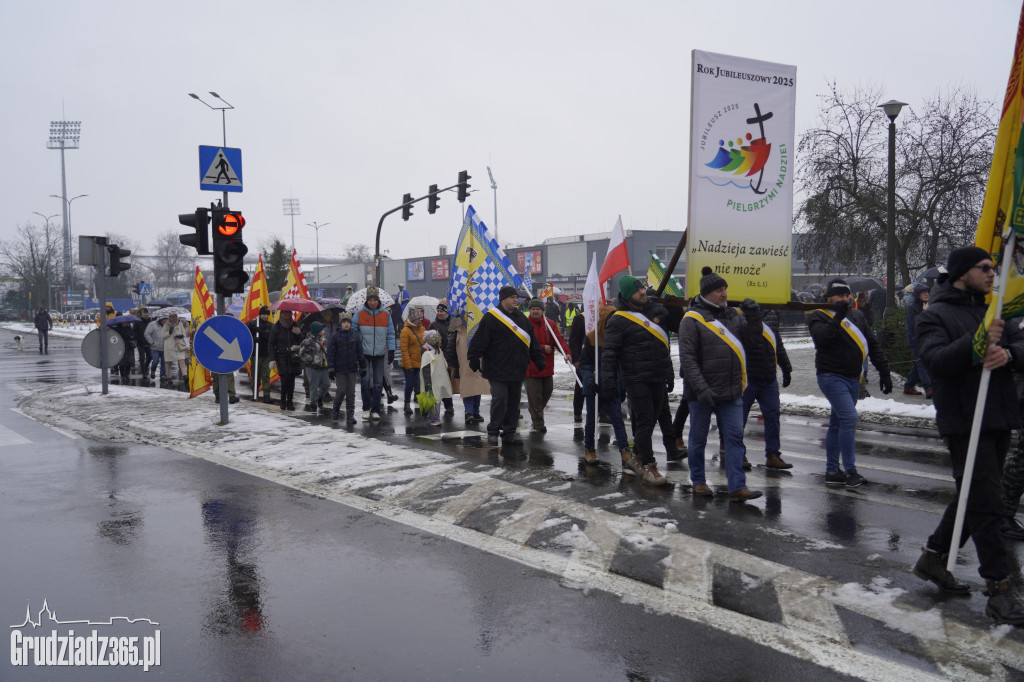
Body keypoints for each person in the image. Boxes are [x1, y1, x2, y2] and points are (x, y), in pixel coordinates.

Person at [913, 246, 1024, 624]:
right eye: (985, 267)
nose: (993, 273)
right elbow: (937, 361)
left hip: (997, 416)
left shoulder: (994, 309)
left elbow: (1020, 343)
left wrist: (1009, 355)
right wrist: (978, 344)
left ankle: (932, 557)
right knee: (986, 503)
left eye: (994, 267)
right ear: (962, 272)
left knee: (972, 495)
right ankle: (999, 588)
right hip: (964, 419)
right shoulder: (935, 315)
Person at [679, 267, 764, 501]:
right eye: (719, 290)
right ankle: (698, 481)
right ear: (706, 293)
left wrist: (755, 317)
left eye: (725, 289)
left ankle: (737, 487)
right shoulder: (691, 320)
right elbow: (688, 359)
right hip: (702, 393)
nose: (724, 294)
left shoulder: (733, 315)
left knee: (735, 439)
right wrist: (701, 389)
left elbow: (753, 340)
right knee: (698, 439)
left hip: (731, 392)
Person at [807, 278, 893, 488]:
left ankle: (831, 470)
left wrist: (884, 371)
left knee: (837, 423)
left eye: (847, 295)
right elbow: (822, 339)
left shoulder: (857, 315)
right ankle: (850, 471)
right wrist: (837, 316)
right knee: (849, 418)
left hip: (854, 378)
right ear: (829, 297)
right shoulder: (818, 315)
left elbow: (871, 343)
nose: (845, 299)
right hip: (831, 376)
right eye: (840, 295)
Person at [601, 276, 672, 486]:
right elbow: (609, 354)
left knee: (651, 421)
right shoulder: (618, 319)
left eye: (642, 288)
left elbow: (663, 347)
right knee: (644, 420)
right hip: (636, 378)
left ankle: (637, 456)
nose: (643, 292)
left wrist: (669, 373)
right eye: (637, 290)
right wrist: (609, 383)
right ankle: (650, 467)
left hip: (657, 375)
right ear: (626, 295)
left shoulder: (654, 311)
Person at [468, 285, 545, 446]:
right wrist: (474, 357)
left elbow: (532, 342)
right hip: (496, 368)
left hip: (517, 368)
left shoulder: (522, 319)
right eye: (512, 297)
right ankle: (493, 431)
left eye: (517, 297)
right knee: (500, 399)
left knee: (514, 403)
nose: (516, 300)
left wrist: (538, 360)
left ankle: (509, 432)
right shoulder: (491, 317)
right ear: (503, 299)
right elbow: (480, 339)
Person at [741, 309, 794, 470]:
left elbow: (777, 342)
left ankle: (773, 455)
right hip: (746, 378)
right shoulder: (738, 312)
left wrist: (786, 367)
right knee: (738, 419)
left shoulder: (771, 313)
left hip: (768, 378)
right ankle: (737, 454)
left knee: (773, 416)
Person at [580, 304, 632, 466]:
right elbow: (585, 365)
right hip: (594, 388)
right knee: (591, 421)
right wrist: (589, 383)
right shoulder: (591, 338)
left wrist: (622, 387)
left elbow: (621, 365)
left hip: (612, 386)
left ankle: (625, 452)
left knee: (617, 419)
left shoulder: (618, 338)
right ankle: (589, 449)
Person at [525, 298, 570, 433]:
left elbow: (559, 340)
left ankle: (535, 410)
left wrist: (566, 352)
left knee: (547, 392)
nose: (535, 311)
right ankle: (538, 421)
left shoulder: (550, 324)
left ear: (542, 311)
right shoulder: (525, 324)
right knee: (535, 396)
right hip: (531, 368)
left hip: (547, 367)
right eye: (533, 309)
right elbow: (524, 344)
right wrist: (543, 347)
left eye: (537, 309)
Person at [351, 287, 395, 421]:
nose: (372, 302)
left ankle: (375, 409)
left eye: (374, 300)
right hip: (364, 354)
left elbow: (391, 334)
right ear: (367, 301)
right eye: (370, 300)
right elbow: (354, 333)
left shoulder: (386, 315)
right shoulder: (359, 314)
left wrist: (391, 349)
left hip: (380, 354)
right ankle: (366, 408)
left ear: (378, 300)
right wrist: (356, 349)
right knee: (365, 381)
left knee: (377, 383)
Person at [445, 314, 488, 425]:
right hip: (463, 363)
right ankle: (468, 412)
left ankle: (476, 412)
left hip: (477, 362)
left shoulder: (479, 324)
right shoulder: (457, 327)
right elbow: (451, 346)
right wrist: (450, 362)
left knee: (477, 387)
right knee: (467, 386)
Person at [327, 311, 365, 424]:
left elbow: (360, 352)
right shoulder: (335, 337)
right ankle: (336, 408)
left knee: (351, 392)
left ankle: (350, 415)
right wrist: (331, 369)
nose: (346, 324)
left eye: (348, 322)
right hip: (340, 369)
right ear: (340, 323)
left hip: (352, 369)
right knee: (341, 391)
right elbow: (331, 354)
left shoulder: (355, 336)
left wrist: (363, 366)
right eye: (344, 322)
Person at [268, 309, 304, 411]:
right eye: (284, 313)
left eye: (288, 313)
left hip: (293, 356)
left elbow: (302, 341)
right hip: (281, 356)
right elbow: (271, 344)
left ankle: (290, 402)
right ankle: (283, 400)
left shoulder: (294, 325)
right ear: (281, 314)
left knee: (292, 380)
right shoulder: (276, 327)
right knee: (285, 379)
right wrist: (272, 359)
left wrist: (298, 333)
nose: (287, 315)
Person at [904, 284, 933, 398]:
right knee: (921, 362)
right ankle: (929, 388)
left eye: (927, 292)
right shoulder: (913, 307)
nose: (926, 294)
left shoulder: (929, 305)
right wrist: (924, 311)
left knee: (918, 363)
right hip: (915, 339)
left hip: (927, 339)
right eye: (923, 292)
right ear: (917, 295)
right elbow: (917, 323)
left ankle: (908, 386)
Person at [420, 329, 452, 426]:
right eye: (439, 340)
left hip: (438, 380)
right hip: (432, 381)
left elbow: (443, 364)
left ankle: (431, 416)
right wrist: (427, 382)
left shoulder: (438, 351)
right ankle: (435, 419)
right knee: (435, 399)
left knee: (436, 398)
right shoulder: (428, 354)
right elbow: (426, 370)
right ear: (434, 341)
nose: (441, 341)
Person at [429, 301, 455, 416]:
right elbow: (428, 343)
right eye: (438, 311)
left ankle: (449, 405)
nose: (439, 313)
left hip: (450, 358)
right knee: (439, 383)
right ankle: (439, 404)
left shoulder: (453, 324)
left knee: (447, 383)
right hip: (438, 357)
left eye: (442, 311)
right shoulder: (433, 325)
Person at [300, 321, 331, 414]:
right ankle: (313, 405)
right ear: (317, 331)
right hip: (312, 368)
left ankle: (319, 398)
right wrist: (311, 359)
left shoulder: (324, 340)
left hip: (324, 367)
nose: (324, 331)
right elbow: (302, 354)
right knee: (313, 387)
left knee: (327, 384)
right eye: (322, 329)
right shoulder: (307, 341)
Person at [400, 306, 426, 414]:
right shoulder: (405, 331)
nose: (420, 319)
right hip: (409, 364)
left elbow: (425, 344)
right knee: (410, 385)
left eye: (421, 317)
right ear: (412, 318)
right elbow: (404, 350)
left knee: (421, 385)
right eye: (418, 318)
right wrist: (408, 365)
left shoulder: (423, 329)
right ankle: (407, 404)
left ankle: (422, 405)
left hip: (421, 362)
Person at [247, 306, 275, 403]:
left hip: (266, 354)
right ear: (259, 314)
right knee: (255, 375)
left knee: (266, 375)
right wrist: (254, 339)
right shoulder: (253, 324)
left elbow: (270, 338)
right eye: (263, 314)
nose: (265, 316)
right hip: (255, 354)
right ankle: (255, 393)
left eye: (267, 314)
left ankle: (266, 395)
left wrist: (261, 332)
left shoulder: (271, 326)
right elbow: (246, 336)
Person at [161, 313, 190, 387]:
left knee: (181, 360)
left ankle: (185, 376)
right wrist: (169, 332)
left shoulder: (180, 324)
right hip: (169, 346)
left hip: (179, 345)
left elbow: (184, 333)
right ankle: (169, 377)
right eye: (173, 319)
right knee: (168, 363)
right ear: (170, 319)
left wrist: (182, 335)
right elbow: (162, 336)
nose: (175, 321)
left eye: (176, 319)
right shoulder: (166, 325)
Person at [132, 308, 152, 379]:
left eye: (147, 314)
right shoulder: (138, 321)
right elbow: (134, 331)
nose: (146, 316)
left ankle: (146, 367)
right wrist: (137, 338)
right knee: (142, 358)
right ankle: (144, 372)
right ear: (142, 315)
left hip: (148, 342)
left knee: (150, 357)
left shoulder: (150, 321)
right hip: (140, 342)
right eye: (144, 315)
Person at [145, 317, 166, 382]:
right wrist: (151, 342)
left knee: (164, 363)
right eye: (165, 320)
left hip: (165, 347)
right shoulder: (152, 324)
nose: (166, 321)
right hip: (155, 347)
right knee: (155, 361)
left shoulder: (168, 325)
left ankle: (162, 375)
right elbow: (147, 334)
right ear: (161, 319)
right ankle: (153, 370)